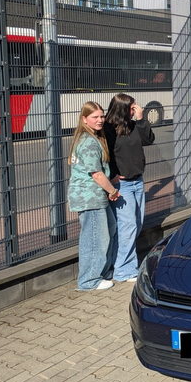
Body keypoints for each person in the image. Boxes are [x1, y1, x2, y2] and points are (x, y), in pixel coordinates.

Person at [68, 101, 121, 291]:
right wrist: (112, 191)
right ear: (84, 119)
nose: (100, 120)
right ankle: (89, 280)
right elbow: (96, 174)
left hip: (93, 196)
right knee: (94, 238)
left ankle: (103, 272)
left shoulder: (89, 137)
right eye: (95, 117)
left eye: (101, 116)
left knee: (109, 229)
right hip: (89, 197)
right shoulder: (89, 141)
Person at [103, 93, 155, 282]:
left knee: (137, 223)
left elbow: (149, 140)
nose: (136, 109)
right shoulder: (108, 129)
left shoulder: (133, 126)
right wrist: (113, 175)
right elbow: (105, 155)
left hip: (137, 181)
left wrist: (141, 120)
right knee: (128, 226)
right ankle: (124, 270)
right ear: (123, 109)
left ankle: (121, 263)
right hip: (122, 184)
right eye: (133, 108)